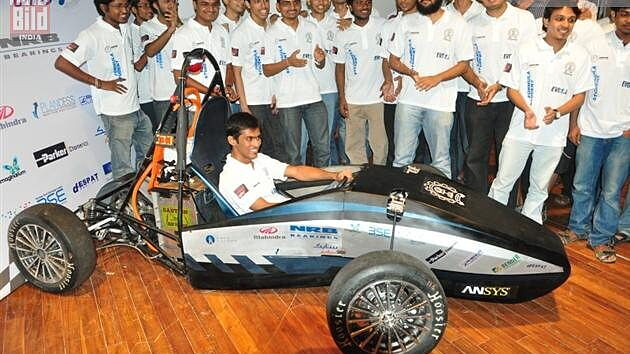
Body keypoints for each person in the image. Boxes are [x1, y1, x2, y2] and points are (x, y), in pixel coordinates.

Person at [488, 6, 594, 224]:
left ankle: (530, 231)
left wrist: (557, 113)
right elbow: (511, 89)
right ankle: (491, 226)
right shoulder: (526, 48)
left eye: (571, 20)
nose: (565, 25)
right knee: (503, 182)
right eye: (559, 19)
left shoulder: (580, 55)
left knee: (539, 189)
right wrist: (527, 110)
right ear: (546, 21)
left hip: (553, 136)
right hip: (520, 130)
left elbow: (580, 96)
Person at [557, 7, 630, 263]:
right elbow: (582, 87)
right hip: (590, 127)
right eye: (624, 13)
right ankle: (577, 229)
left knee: (611, 190)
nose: (628, 20)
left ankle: (601, 239)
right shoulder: (595, 43)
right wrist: (574, 123)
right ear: (613, 16)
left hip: (623, 133)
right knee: (582, 184)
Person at [55, 0, 153, 180]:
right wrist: (99, 83)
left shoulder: (124, 28)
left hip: (136, 109)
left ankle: (143, 199)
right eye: (118, 6)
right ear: (103, 7)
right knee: (123, 169)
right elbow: (62, 63)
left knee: (148, 161)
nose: (124, 10)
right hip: (116, 114)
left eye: (126, 5)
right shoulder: (91, 34)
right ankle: (124, 202)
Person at [388, 0, 473, 178]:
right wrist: (409, 72)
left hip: (441, 104)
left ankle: (440, 205)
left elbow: (463, 65)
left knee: (440, 161)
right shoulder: (407, 22)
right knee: (401, 159)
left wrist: (437, 78)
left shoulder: (458, 23)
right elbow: (393, 60)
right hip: (408, 101)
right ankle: (398, 201)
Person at [461, 0, 536, 197]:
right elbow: (463, 61)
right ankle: (478, 208)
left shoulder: (524, 19)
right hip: (478, 98)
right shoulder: (470, 22)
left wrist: (501, 83)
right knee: (475, 157)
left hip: (513, 100)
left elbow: (527, 58)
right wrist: (478, 83)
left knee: (509, 159)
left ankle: (506, 212)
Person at [219, 112, 353, 215]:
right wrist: (306, 208)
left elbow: (296, 171)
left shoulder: (260, 159)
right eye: (249, 139)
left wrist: (335, 176)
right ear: (232, 141)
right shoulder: (230, 176)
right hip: (268, 224)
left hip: (285, 210)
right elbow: (263, 208)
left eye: (258, 138)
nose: (256, 144)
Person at [262, 0, 330, 167]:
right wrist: (288, 62)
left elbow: (319, 62)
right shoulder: (271, 33)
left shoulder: (311, 28)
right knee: (293, 154)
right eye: (286, 3)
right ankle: (298, 191)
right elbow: (266, 70)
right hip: (287, 102)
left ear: (300, 5)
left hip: (313, 98)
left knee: (323, 149)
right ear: (278, 7)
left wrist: (320, 59)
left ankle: (327, 189)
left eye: (295, 3)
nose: (292, 7)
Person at [333, 0, 393, 165]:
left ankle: (379, 179)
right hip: (353, 100)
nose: (364, 6)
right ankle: (360, 179)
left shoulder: (383, 25)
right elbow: (340, 69)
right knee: (354, 147)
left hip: (378, 99)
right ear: (350, 7)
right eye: (359, 3)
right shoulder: (343, 33)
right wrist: (342, 98)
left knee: (380, 146)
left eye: (367, 2)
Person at [231, 0, 285, 161]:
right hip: (253, 101)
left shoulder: (273, 28)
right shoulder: (241, 32)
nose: (263, 6)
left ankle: (277, 184)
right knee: (256, 150)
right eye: (257, 1)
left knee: (278, 146)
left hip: (273, 100)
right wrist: (244, 106)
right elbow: (236, 71)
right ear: (248, 5)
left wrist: (276, 93)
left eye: (266, 1)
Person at [445, 0, 484, 181]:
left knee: (469, 142)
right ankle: (450, 180)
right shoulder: (443, 12)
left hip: (473, 88)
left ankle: (466, 182)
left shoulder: (483, 11)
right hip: (447, 87)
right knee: (448, 140)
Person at [307, 0, 348, 165]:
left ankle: (333, 179)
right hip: (307, 91)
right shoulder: (301, 22)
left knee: (329, 139)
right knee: (307, 141)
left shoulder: (338, 25)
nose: (321, 2)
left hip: (330, 89)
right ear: (309, 2)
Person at [171, 0, 238, 102]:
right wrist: (210, 92)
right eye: (204, 4)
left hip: (222, 103)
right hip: (196, 106)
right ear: (195, 4)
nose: (211, 9)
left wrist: (228, 86)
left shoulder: (222, 31)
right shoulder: (183, 34)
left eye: (215, 4)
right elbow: (179, 76)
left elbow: (228, 66)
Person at [381, 0, 416, 167]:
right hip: (394, 96)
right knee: (394, 143)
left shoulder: (426, 21)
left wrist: (404, 77)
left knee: (419, 146)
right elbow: (385, 59)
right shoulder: (390, 24)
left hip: (418, 93)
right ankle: (395, 184)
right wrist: (389, 81)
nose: (403, 1)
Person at [141, 0, 180, 127]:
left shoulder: (183, 27)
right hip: (164, 97)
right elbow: (150, 51)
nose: (171, 4)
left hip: (186, 92)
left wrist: (177, 25)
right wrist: (170, 30)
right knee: (167, 143)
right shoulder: (147, 27)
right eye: (166, 1)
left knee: (190, 139)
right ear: (155, 5)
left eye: (173, 1)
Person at [130, 0, 158, 129]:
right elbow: (138, 65)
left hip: (163, 93)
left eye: (151, 5)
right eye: (144, 6)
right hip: (145, 96)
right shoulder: (129, 33)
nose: (149, 9)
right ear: (134, 10)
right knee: (154, 140)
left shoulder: (157, 27)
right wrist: (155, 45)